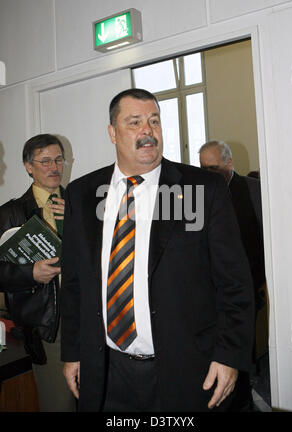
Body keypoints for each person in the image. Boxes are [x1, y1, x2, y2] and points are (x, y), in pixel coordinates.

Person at [61, 89, 254, 412]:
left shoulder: (201, 189)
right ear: (112, 132)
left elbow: (235, 283)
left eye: (153, 121)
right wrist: (72, 352)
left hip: (186, 371)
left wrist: (229, 355)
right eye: (134, 122)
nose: (147, 131)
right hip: (107, 372)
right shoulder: (82, 194)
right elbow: (74, 284)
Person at [0, 134, 76, 412]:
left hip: (90, 320)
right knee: (59, 404)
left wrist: (79, 222)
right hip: (48, 326)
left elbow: (105, 256)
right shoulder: (10, 213)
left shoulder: (82, 204)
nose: (54, 167)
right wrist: (30, 272)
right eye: (45, 161)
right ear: (28, 167)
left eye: (58, 159)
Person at [199, 140, 266, 411]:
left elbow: (265, 242)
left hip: (247, 286)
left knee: (241, 347)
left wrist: (257, 283)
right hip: (209, 291)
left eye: (213, 167)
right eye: (202, 167)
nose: (207, 173)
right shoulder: (194, 194)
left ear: (229, 163)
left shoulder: (254, 191)